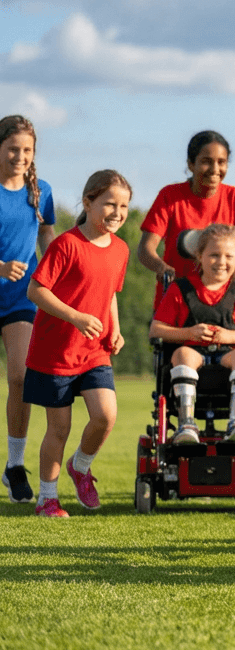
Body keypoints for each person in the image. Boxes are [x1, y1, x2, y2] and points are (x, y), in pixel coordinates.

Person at [23, 171, 131, 517]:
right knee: (60, 428)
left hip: (94, 351)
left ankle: (81, 466)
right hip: (55, 352)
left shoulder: (121, 249)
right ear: (88, 203)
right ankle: (48, 500)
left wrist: (115, 329)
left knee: (105, 415)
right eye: (109, 204)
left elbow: (110, 294)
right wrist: (76, 317)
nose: (117, 212)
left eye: (124, 205)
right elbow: (36, 291)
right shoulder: (66, 244)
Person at [149, 224, 235, 445]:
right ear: (199, 256)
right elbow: (156, 330)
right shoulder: (180, 289)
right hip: (192, 355)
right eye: (214, 255)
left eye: (228, 256)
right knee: (183, 353)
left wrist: (229, 337)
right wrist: (190, 333)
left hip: (228, 357)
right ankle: (187, 423)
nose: (221, 262)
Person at [138, 131, 235, 301]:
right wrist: (161, 268)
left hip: (225, 302)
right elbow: (146, 248)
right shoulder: (169, 196)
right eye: (206, 162)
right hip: (177, 300)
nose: (215, 169)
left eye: (221, 162)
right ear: (191, 164)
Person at [0, 116, 56, 503]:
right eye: (13, 148)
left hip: (21, 297)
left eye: (27, 150)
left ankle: (14, 465)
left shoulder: (42, 192)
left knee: (20, 377)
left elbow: (50, 238)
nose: (20, 156)